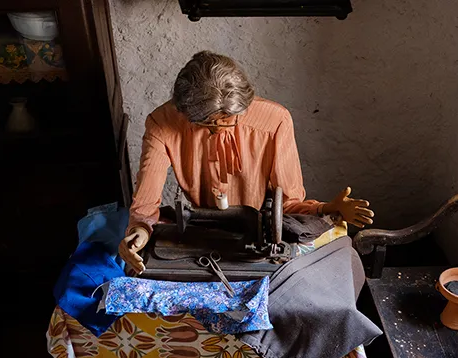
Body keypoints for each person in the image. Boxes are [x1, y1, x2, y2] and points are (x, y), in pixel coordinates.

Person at [118, 51, 374, 273]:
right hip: (203, 230)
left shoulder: (274, 121)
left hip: (258, 231)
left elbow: (289, 203)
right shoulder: (162, 123)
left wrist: (326, 208)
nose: (222, 128)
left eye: (229, 119)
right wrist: (140, 229)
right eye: (210, 125)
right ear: (185, 114)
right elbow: (146, 202)